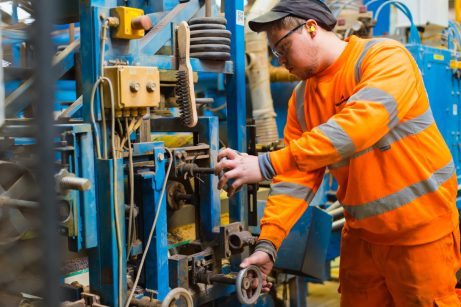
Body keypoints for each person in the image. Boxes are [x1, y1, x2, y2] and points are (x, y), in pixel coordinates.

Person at [215, 0, 461, 305]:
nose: (280, 62)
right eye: (274, 54)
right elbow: (295, 179)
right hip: (362, 239)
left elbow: (355, 127)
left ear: (311, 28)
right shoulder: (302, 101)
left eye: (282, 48)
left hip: (420, 233)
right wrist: (269, 243)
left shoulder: (384, 58)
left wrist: (266, 164)